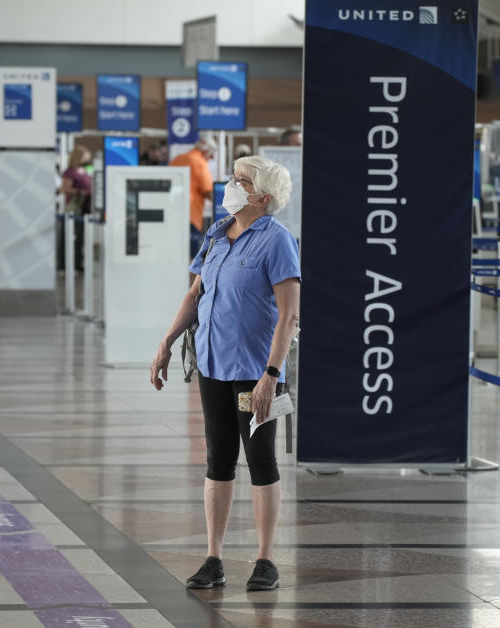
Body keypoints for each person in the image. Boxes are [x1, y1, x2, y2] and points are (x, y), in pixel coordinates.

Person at [150, 155, 300, 592]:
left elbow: (288, 317)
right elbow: (196, 293)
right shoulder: (216, 235)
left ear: (263, 197)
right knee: (217, 460)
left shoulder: (277, 241)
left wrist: (272, 375)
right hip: (213, 366)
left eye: (240, 181)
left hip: (256, 372)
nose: (230, 186)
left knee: (260, 460)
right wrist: (168, 341)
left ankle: (265, 560)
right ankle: (213, 558)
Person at [169, 136, 216, 257]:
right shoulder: (200, 163)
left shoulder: (178, 159)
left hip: (171, 212)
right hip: (190, 214)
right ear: (206, 151)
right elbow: (208, 191)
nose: (211, 158)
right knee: (191, 256)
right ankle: (189, 276)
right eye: (211, 155)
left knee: (174, 253)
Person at [60, 146, 93, 270]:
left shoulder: (84, 171)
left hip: (85, 209)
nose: (88, 158)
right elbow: (65, 189)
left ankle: (78, 263)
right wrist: (82, 192)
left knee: (80, 240)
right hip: (75, 209)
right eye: (85, 155)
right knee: (71, 238)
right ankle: (66, 265)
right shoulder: (70, 172)